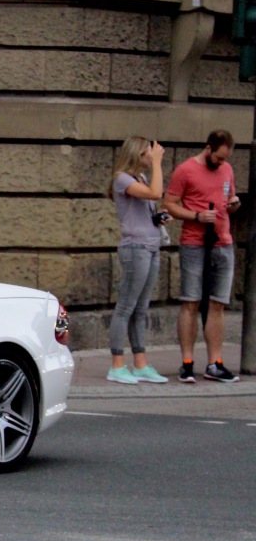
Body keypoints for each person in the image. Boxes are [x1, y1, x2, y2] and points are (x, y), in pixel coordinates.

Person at [163, 129, 242, 383]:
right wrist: (196, 216)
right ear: (208, 148)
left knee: (218, 303)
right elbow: (170, 204)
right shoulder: (185, 170)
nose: (221, 163)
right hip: (195, 243)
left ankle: (215, 362)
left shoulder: (227, 170)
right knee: (191, 301)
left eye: (224, 159)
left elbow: (228, 197)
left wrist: (234, 204)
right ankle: (187, 362)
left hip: (223, 242)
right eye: (218, 158)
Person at [105, 137, 169, 385]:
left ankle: (140, 362)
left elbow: (147, 205)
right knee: (125, 307)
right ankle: (117, 364)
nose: (150, 157)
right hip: (135, 248)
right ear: (137, 154)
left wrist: (158, 217)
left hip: (151, 246)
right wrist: (158, 164)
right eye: (147, 153)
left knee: (141, 309)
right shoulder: (123, 179)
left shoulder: (140, 179)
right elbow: (156, 192)